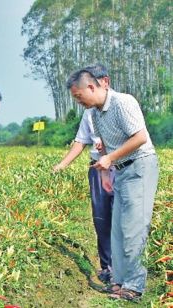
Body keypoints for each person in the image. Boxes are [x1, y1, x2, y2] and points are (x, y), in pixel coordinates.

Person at [67, 69, 159, 302]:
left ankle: (134, 286)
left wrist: (109, 158)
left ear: (92, 87)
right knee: (117, 229)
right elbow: (106, 146)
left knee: (133, 228)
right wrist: (108, 168)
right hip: (120, 169)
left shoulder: (122, 102)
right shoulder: (95, 114)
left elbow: (139, 138)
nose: (78, 102)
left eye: (79, 96)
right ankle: (119, 281)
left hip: (139, 166)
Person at [54, 64, 114, 283]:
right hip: (98, 169)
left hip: (119, 167)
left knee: (122, 219)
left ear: (101, 83)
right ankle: (107, 267)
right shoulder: (89, 114)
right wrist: (61, 166)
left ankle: (124, 269)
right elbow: (80, 142)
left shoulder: (120, 105)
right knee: (102, 219)